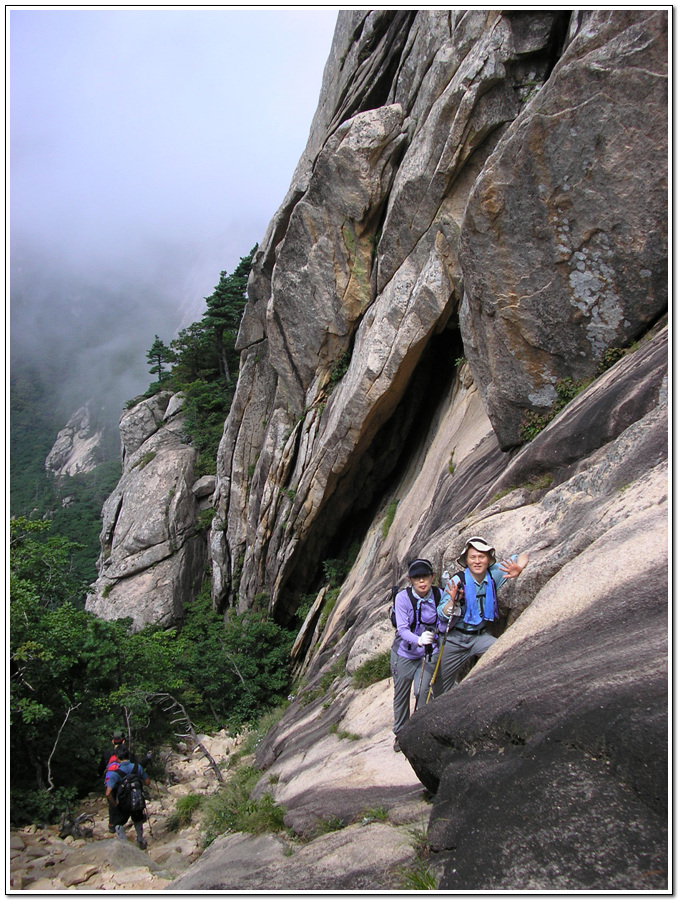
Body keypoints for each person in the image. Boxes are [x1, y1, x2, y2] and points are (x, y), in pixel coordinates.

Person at [436, 536, 528, 694]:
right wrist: (452, 602)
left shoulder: (493, 574)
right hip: (455, 638)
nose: (477, 561)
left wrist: (519, 567)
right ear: (466, 560)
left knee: (507, 656)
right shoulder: (458, 580)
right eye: (473, 557)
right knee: (439, 685)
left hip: (480, 637)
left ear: (488, 559)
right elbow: (441, 612)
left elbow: (523, 555)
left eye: (481, 557)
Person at [391, 558, 445, 753]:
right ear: (410, 580)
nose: (422, 582)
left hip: (428, 653)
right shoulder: (403, 598)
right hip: (404, 653)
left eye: (425, 577)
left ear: (432, 577)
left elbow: (443, 624)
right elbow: (402, 629)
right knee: (401, 694)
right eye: (417, 578)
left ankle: (418, 731)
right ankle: (400, 733)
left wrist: (441, 627)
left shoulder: (439, 595)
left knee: (422, 691)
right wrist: (419, 639)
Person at [105, 748, 151, 849]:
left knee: (118, 823)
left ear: (117, 758)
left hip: (123, 802)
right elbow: (147, 782)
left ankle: (124, 844)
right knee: (138, 820)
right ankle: (140, 840)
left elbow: (108, 793)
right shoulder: (137, 767)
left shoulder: (116, 773)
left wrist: (115, 803)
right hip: (136, 799)